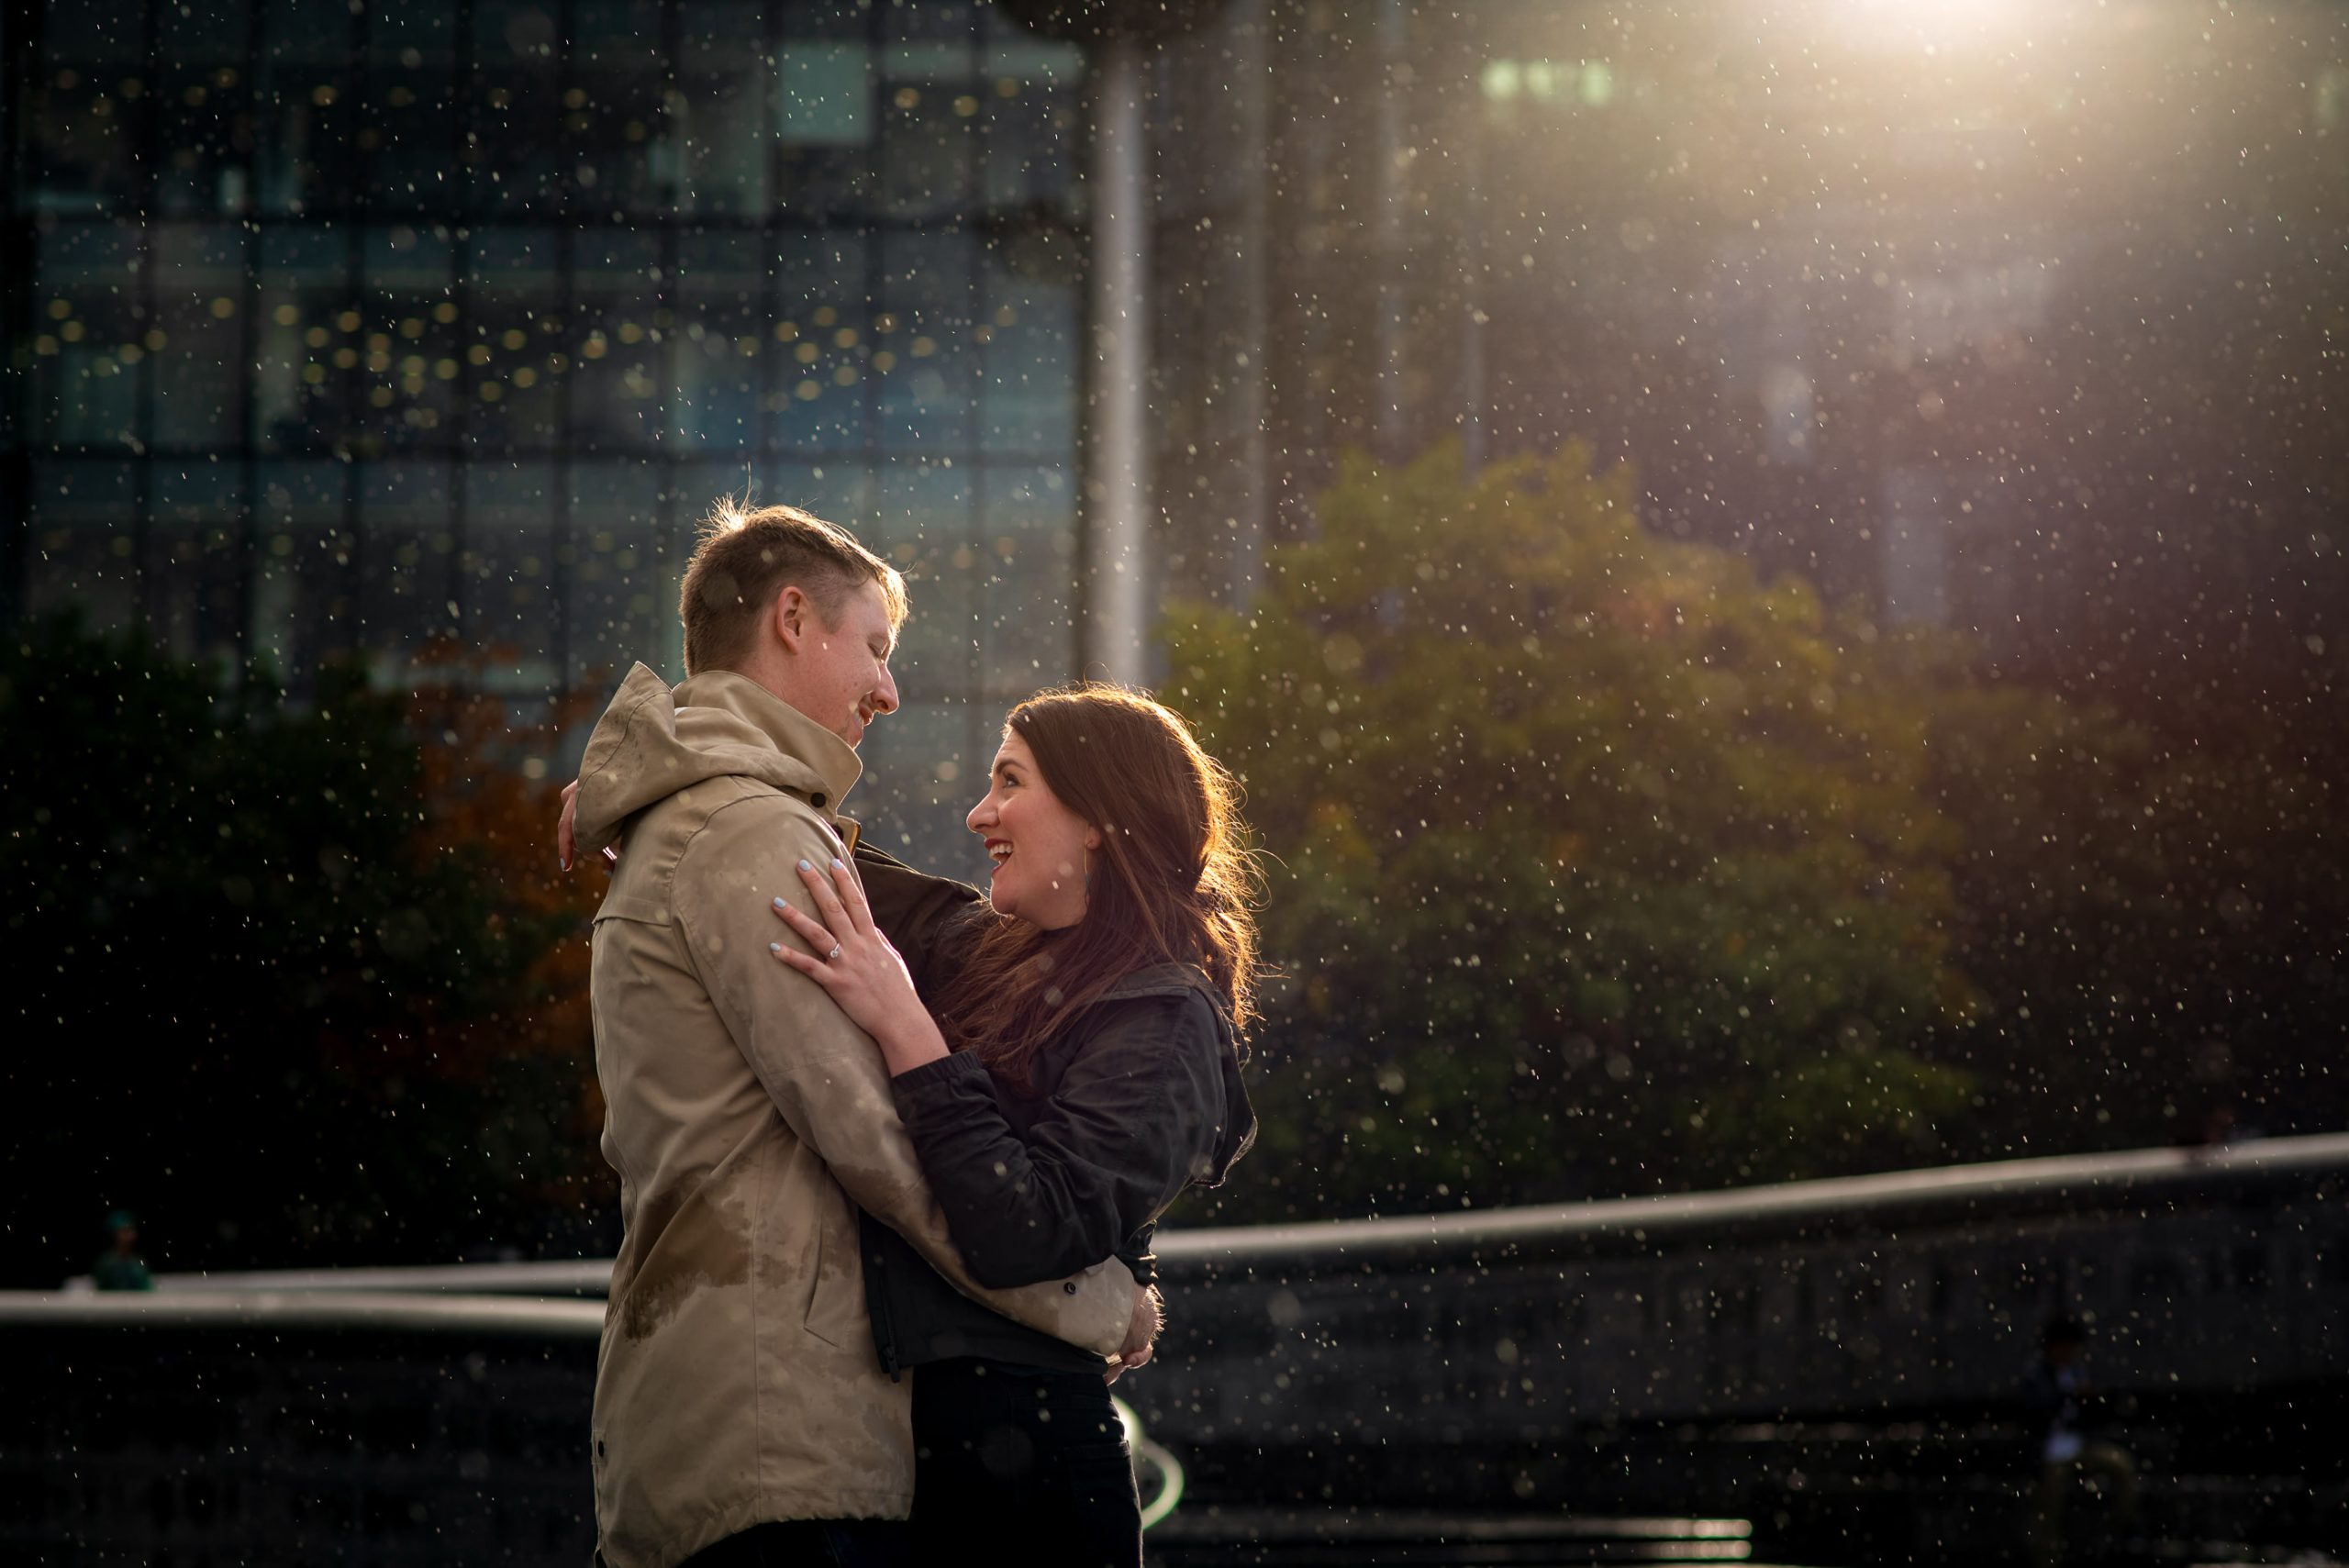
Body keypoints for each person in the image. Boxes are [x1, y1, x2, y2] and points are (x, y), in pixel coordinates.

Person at [562, 502, 1152, 1568]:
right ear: (792, 618)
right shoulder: (749, 826)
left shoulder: (703, 817)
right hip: (777, 1441)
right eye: (874, 647)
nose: (888, 688)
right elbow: (881, 1142)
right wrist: (1101, 1300)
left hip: (711, 1420)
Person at [768, 684, 1259, 1567]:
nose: (978, 811)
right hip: (903, 1453)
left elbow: (1026, 1227)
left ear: (1098, 818)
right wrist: (662, 800)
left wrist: (908, 1030)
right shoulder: (987, 947)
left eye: (1010, 782)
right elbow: (797, 855)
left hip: (1034, 1487)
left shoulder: (1166, 1016)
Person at [2025, 1315, 2142, 1567]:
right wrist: (2069, 1398)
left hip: (2081, 1446)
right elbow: (2039, 1411)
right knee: (2050, 1501)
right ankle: (2047, 1557)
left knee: (2121, 1465)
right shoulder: (2038, 1375)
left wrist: (2090, 1402)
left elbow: (2090, 1414)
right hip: (2052, 1452)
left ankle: (2125, 1531)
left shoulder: (2077, 1372)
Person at [91, 1208, 153, 1291]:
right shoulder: (105, 1263)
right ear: (115, 1234)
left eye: (132, 1230)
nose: (130, 1235)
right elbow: (100, 1292)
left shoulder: (139, 1262)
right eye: (125, 1231)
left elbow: (146, 1289)